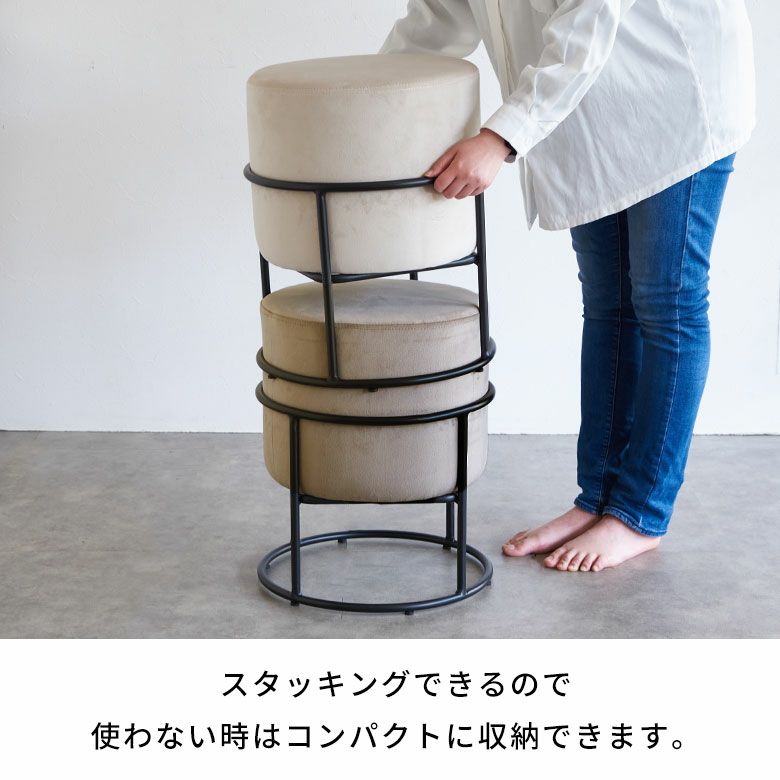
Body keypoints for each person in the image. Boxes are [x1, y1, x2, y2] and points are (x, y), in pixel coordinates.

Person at [378, 0, 756, 571]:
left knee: (668, 304)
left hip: (674, 90)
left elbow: (589, 20)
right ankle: (598, 499)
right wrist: (364, 93)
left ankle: (641, 514)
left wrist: (499, 138)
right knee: (609, 306)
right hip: (590, 112)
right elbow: (436, 21)